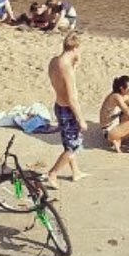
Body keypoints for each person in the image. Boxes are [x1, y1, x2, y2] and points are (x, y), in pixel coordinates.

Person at [45, 32, 88, 188]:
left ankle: (76, 172)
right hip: (68, 110)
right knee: (73, 146)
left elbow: (59, 82)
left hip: (58, 105)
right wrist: (81, 119)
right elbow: (71, 99)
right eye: (79, 49)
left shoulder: (54, 61)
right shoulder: (66, 69)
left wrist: (74, 67)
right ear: (75, 48)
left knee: (68, 142)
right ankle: (53, 173)